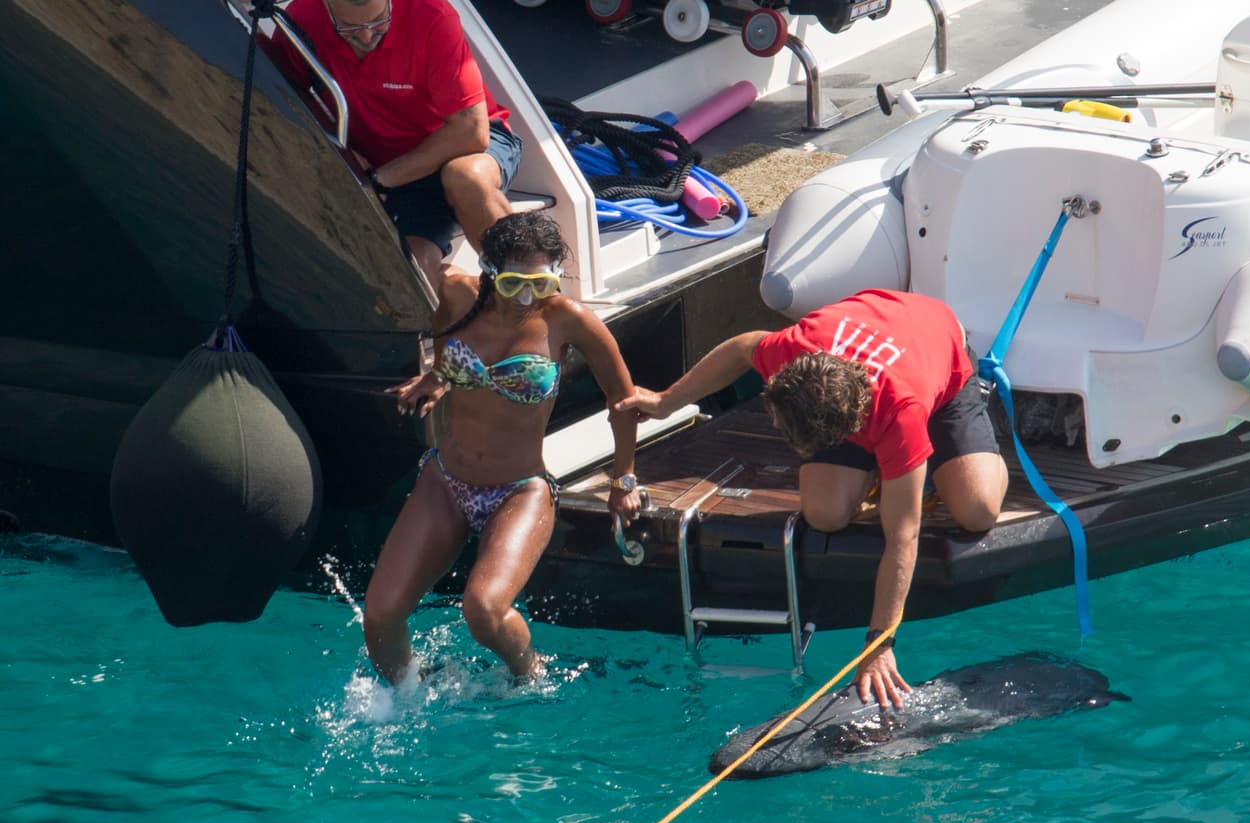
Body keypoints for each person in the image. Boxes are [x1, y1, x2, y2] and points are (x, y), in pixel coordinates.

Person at [615, 289, 1008, 710]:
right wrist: (665, 402)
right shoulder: (795, 352)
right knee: (825, 514)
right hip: (869, 344)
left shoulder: (902, 411)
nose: (774, 425)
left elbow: (903, 537)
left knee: (976, 510)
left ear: (842, 431)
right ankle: (892, 471)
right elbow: (742, 349)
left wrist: (878, 644)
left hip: (938, 354)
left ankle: (950, 446)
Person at [366, 211, 643, 684]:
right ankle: (413, 692)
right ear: (489, 272)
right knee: (380, 617)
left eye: (541, 284)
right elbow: (444, 337)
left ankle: (531, 678)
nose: (527, 298)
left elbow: (623, 401)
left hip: (519, 490)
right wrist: (438, 377)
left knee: (484, 611)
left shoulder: (568, 320)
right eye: (514, 284)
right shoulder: (458, 295)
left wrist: (624, 479)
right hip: (446, 481)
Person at [262, 0, 520, 289]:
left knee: (467, 177)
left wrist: (378, 180)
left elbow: (471, 131)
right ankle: (469, 298)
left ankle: (531, 286)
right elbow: (284, 90)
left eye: (377, 22)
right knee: (408, 280)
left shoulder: (432, 16)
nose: (366, 37)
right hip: (388, 168)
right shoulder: (302, 15)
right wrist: (341, 151)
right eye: (349, 28)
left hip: (462, 147)